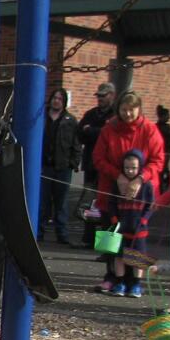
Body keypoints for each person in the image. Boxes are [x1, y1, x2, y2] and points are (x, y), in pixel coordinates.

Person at [92, 91, 165, 291]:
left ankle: (134, 280)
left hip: (141, 194)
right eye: (123, 110)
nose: (127, 114)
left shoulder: (150, 130)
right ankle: (112, 275)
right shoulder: (109, 129)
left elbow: (158, 160)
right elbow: (98, 158)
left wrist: (141, 178)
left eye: (131, 110)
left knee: (137, 238)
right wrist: (119, 176)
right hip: (112, 191)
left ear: (139, 109)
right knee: (110, 235)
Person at [105, 149, 155, 298]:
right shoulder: (117, 184)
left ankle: (136, 284)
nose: (130, 171)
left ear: (140, 167)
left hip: (139, 227)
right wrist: (114, 218)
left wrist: (145, 220)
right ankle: (120, 282)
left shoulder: (147, 186)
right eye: (127, 168)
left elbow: (151, 205)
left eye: (133, 167)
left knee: (137, 258)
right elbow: (111, 203)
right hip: (121, 226)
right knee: (119, 256)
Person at [76, 81, 118, 245]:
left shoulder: (115, 115)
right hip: (91, 166)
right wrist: (94, 131)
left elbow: (107, 135)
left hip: (108, 169)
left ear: (111, 96)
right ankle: (88, 239)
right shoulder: (91, 113)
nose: (99, 99)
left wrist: (91, 130)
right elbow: (79, 133)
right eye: (98, 96)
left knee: (107, 207)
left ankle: (104, 245)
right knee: (89, 204)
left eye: (103, 96)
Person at [38, 88, 78, 244]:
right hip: (45, 166)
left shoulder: (70, 120)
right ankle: (39, 232)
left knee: (61, 203)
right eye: (54, 97)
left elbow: (76, 143)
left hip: (62, 167)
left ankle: (62, 234)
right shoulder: (41, 117)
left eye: (60, 98)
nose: (56, 101)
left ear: (64, 102)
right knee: (43, 202)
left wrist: (73, 163)